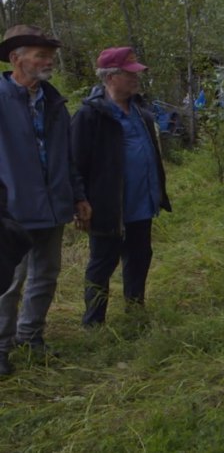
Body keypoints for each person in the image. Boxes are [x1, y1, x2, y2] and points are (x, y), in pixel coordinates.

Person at [0, 24, 91, 375]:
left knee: (46, 276)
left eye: (49, 55)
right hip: (11, 211)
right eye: (40, 55)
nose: (48, 60)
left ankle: (31, 337)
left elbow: (66, 156)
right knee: (8, 283)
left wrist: (78, 196)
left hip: (53, 206)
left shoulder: (53, 101)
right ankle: (1, 348)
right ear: (16, 59)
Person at [71, 47, 171, 327]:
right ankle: (93, 323)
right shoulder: (89, 116)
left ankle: (136, 313)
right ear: (111, 77)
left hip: (142, 203)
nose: (136, 78)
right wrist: (79, 201)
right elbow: (74, 164)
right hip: (108, 206)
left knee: (140, 257)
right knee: (103, 262)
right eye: (130, 74)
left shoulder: (140, 110)